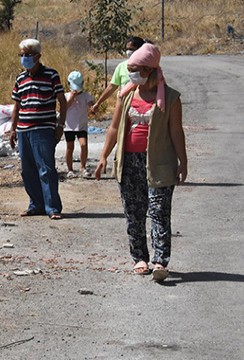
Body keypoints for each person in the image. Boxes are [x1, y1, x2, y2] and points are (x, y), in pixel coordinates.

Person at [95, 43, 187, 282]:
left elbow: (176, 131)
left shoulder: (171, 98)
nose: (131, 72)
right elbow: (114, 128)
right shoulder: (126, 95)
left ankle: (160, 261)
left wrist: (182, 161)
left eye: (135, 68)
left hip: (159, 163)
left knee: (159, 212)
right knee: (134, 213)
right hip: (129, 162)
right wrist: (104, 156)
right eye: (130, 68)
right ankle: (139, 258)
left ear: (149, 69)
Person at [9, 38, 67, 220]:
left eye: (27, 55)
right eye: (22, 55)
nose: (24, 58)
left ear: (38, 56)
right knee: (28, 170)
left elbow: (62, 102)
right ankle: (36, 204)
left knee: (46, 169)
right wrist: (13, 129)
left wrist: (60, 126)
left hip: (43, 129)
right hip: (24, 130)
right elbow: (17, 106)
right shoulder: (20, 78)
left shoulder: (51, 75)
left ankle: (52, 207)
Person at [90, 36, 146, 114]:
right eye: (127, 49)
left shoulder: (148, 69)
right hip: (124, 106)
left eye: (131, 49)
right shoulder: (121, 67)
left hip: (142, 107)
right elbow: (112, 87)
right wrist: (98, 103)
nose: (128, 52)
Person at [63, 71, 94, 178]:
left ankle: (83, 167)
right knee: (69, 147)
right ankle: (70, 169)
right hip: (69, 127)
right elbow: (63, 108)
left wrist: (92, 108)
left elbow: (91, 104)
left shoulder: (86, 95)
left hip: (81, 125)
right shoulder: (66, 96)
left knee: (83, 144)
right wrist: (71, 99)